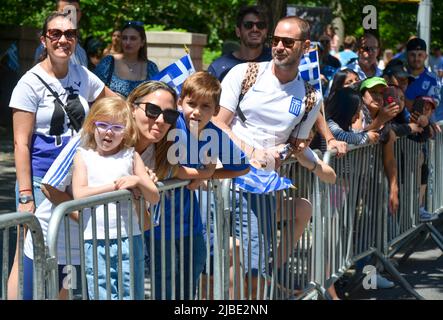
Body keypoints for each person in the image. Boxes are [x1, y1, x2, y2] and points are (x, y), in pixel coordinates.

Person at [22, 81, 179, 300]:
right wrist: (92, 221)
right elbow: (49, 186)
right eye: (152, 110)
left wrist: (137, 190)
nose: (160, 120)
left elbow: (146, 222)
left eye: (170, 115)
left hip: (109, 248)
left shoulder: (156, 156)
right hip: (59, 239)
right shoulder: (89, 140)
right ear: (133, 107)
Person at [213, 16, 322, 298]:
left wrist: (281, 153)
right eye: (276, 40)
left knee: (252, 268)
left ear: (305, 46)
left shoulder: (311, 97)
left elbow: (296, 146)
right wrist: (251, 153)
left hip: (262, 189)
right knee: (216, 267)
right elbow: (218, 123)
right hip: (222, 178)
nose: (279, 47)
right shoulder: (244, 73)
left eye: (288, 42)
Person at [8, 11, 114, 300]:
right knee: (29, 255)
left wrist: (146, 105)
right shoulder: (29, 84)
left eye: (70, 34)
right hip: (41, 180)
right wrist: (26, 195)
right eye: (55, 34)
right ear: (44, 39)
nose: (63, 39)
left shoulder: (81, 74)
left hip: (72, 179)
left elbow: (114, 102)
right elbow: (21, 144)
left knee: (67, 257)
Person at [147, 71, 250, 300]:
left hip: (188, 216)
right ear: (180, 102)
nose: (196, 111)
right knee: (163, 277)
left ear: (215, 111)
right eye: (191, 104)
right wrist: (204, 172)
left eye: (205, 106)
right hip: (157, 217)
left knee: (192, 269)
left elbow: (243, 166)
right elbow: (167, 167)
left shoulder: (215, 133)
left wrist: (208, 176)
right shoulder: (173, 125)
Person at [71, 97, 159, 300]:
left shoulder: (130, 155)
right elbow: (80, 194)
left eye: (117, 127)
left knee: (130, 291)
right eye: (102, 125)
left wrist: (137, 180)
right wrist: (114, 186)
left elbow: (153, 196)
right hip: (94, 238)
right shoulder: (83, 156)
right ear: (93, 126)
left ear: (126, 131)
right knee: (100, 290)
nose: (108, 132)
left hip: (129, 237)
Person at [403, 37, 441, 221]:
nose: (416, 58)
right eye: (412, 54)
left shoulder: (432, 78)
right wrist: (416, 103)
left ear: (425, 55)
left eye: (420, 54)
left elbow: (430, 104)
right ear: (407, 55)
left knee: (422, 169)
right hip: (399, 131)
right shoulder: (399, 74)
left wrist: (425, 116)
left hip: (418, 135)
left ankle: (418, 208)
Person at [94, 21, 159, 97]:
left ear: (142, 42)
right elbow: (93, 89)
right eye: (124, 38)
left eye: (133, 38)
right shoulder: (108, 62)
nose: (128, 42)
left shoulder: (151, 67)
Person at [207, 5, 271, 82]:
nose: (255, 29)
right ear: (238, 31)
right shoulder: (218, 68)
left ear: (266, 31)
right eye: (248, 25)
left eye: (261, 25)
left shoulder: (275, 61)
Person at [34, 0, 88, 67]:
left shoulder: (81, 51)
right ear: (55, 13)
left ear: (80, 14)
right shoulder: (46, 47)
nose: (71, 15)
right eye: (66, 11)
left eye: (75, 11)